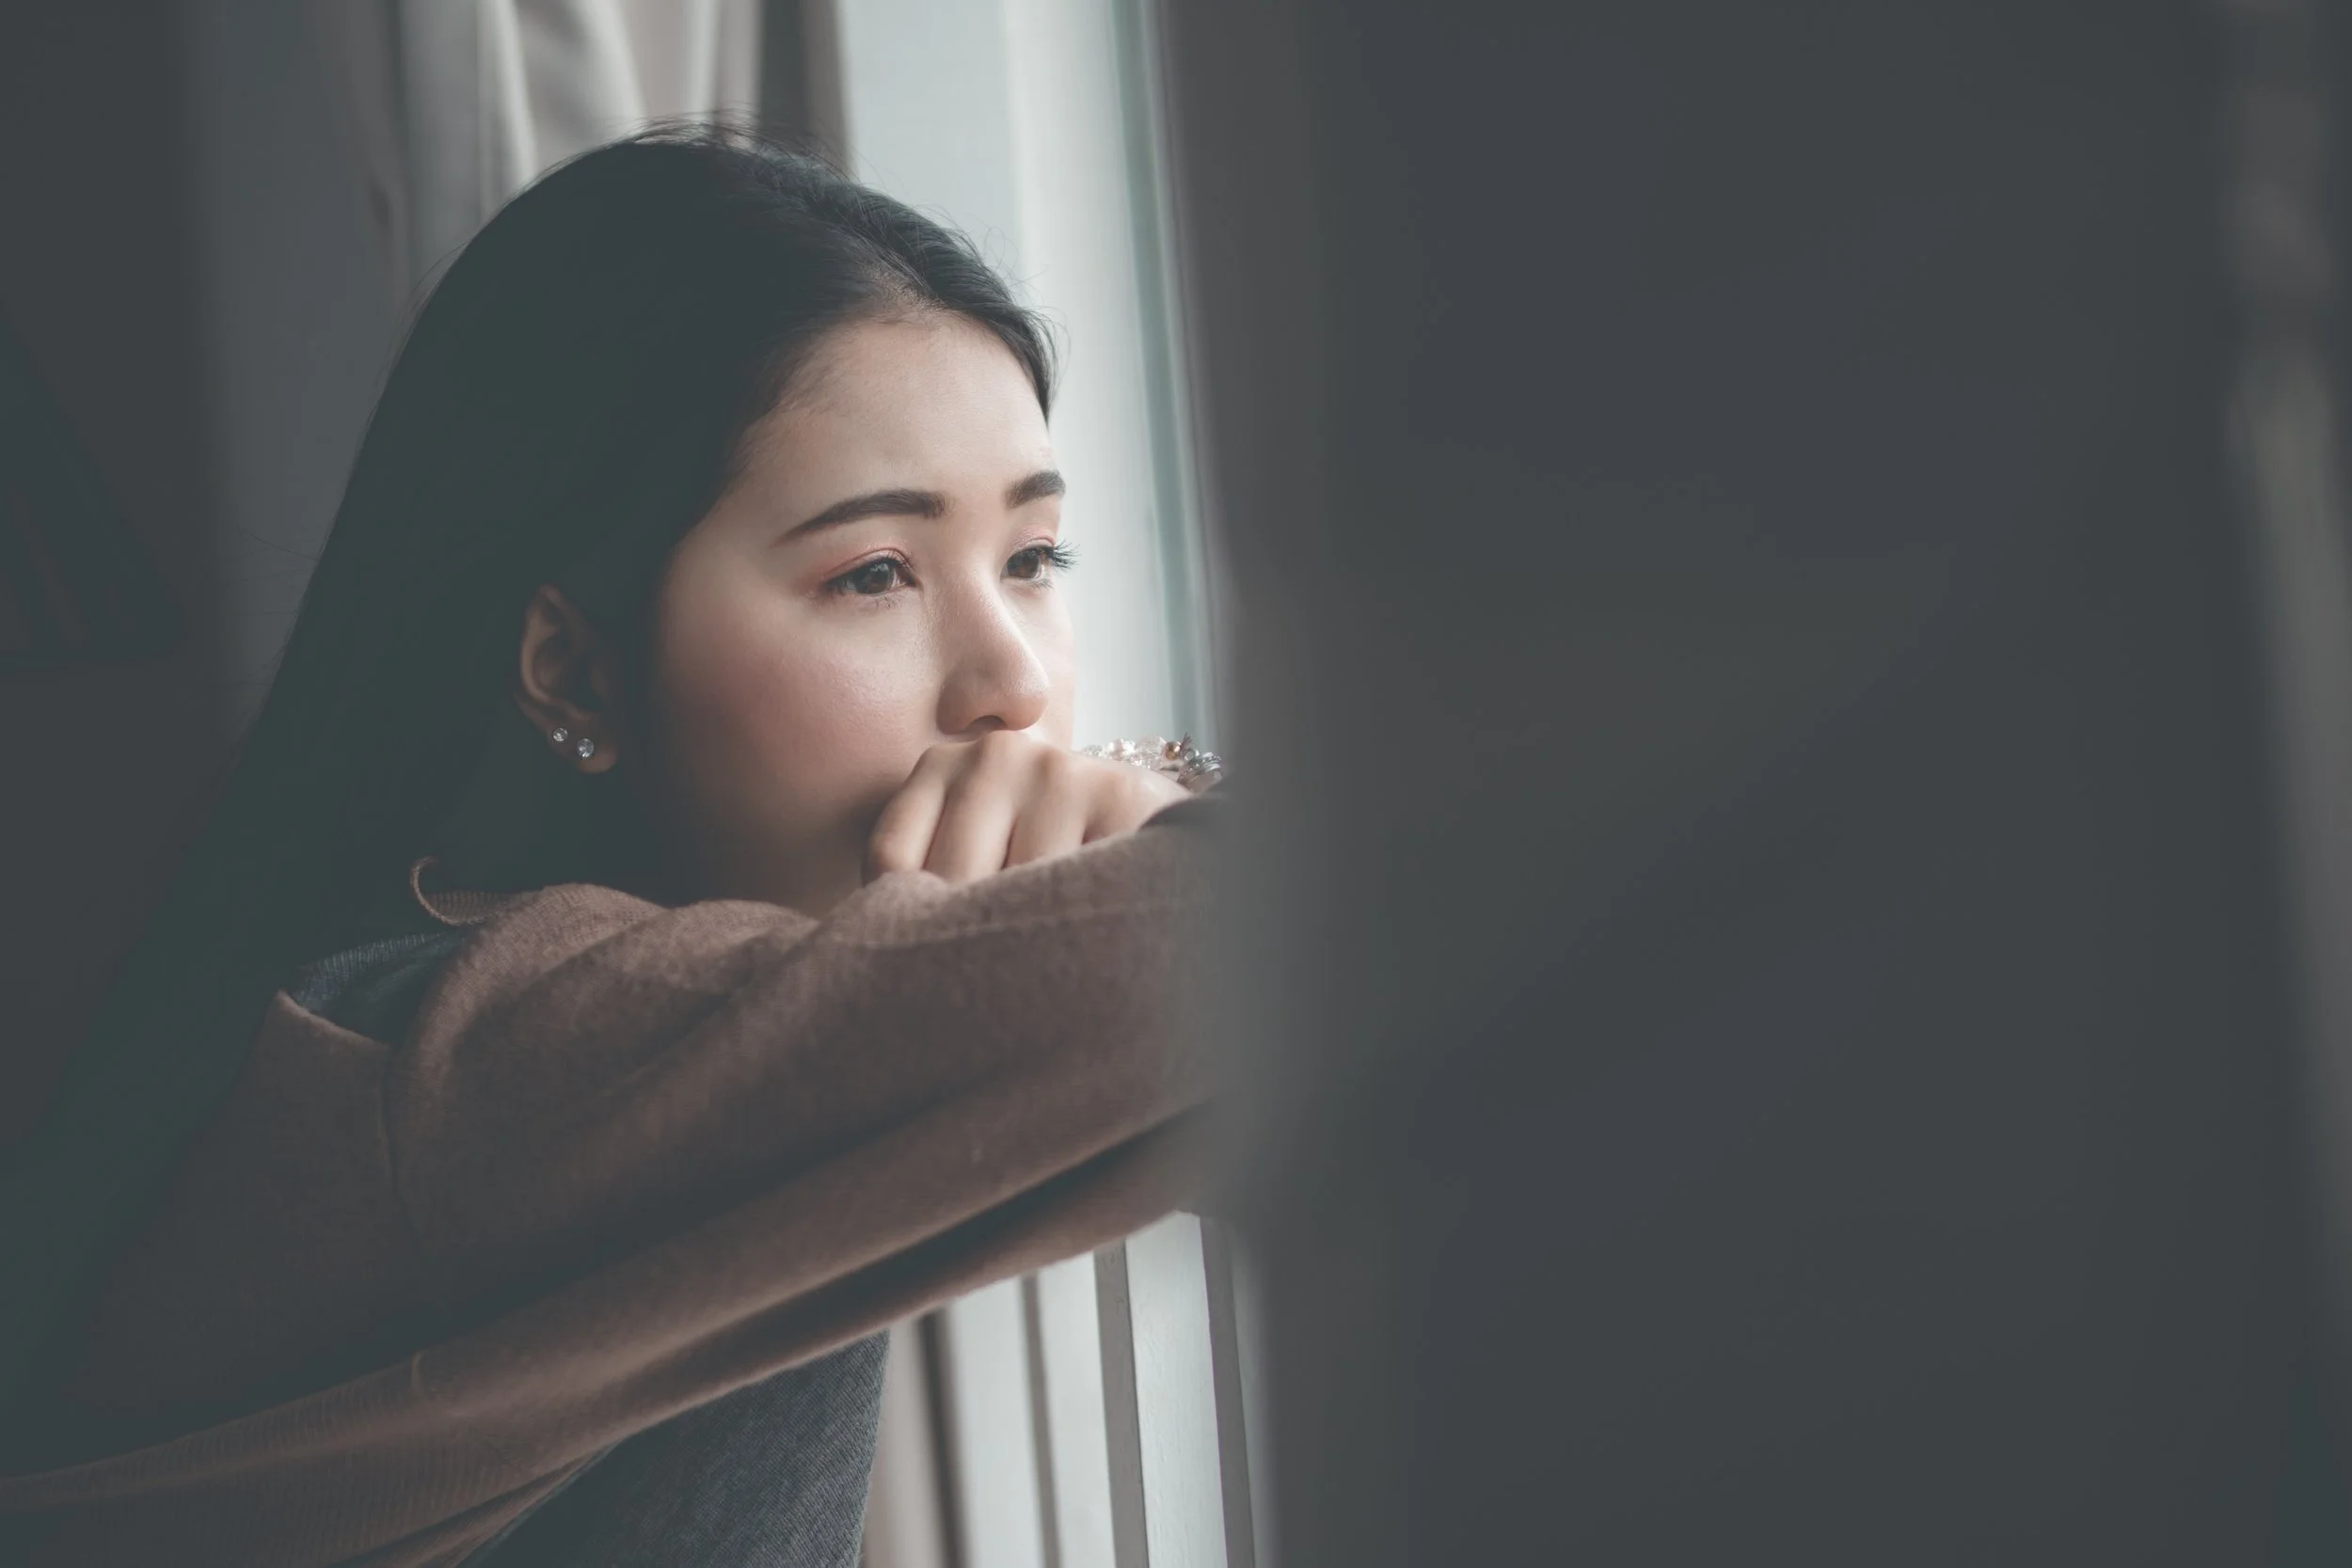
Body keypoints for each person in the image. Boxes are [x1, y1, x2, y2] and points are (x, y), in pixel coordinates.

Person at [0, 126, 1222, 1566]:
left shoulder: (446, 995)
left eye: (1033, 558)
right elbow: (1308, 960)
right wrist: (1173, 820)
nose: (1015, 683)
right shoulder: (478, 1058)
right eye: (874, 572)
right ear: (576, 673)